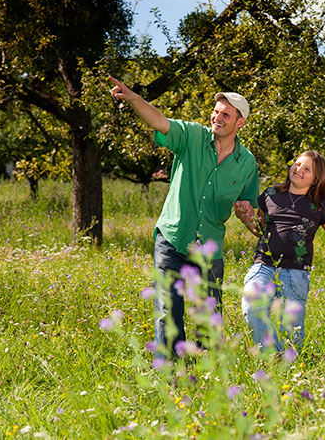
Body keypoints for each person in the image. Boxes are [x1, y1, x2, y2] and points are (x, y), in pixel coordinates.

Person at [109, 76, 259, 359]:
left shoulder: (247, 163)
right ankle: (168, 370)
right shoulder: (192, 136)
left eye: (225, 114)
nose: (217, 117)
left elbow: (252, 215)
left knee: (209, 313)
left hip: (209, 245)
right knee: (168, 307)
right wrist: (133, 99)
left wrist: (247, 215)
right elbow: (160, 122)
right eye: (216, 111)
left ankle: (207, 371)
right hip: (173, 236)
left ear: (240, 123)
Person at [240, 151, 325, 354]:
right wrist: (246, 218)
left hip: (296, 272)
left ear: (316, 179)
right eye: (297, 163)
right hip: (264, 265)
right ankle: (274, 355)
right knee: (252, 308)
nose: (298, 169)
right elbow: (259, 229)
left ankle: (292, 368)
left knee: (292, 330)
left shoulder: (319, 206)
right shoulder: (271, 195)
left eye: (307, 168)